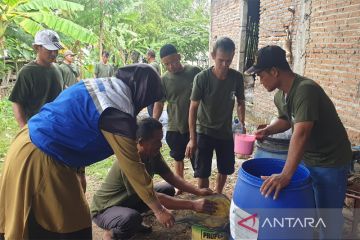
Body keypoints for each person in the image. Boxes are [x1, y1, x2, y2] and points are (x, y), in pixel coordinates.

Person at [0, 64, 175, 239]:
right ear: (142, 92)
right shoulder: (117, 114)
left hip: (28, 143)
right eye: (147, 100)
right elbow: (133, 166)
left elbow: (75, 121)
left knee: (51, 217)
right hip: (41, 155)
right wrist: (158, 210)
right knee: (68, 224)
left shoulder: (102, 86)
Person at [248, 45, 352, 239]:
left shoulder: (306, 90)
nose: (259, 81)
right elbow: (287, 120)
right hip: (309, 158)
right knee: (310, 208)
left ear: (274, 71)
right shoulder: (281, 95)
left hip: (331, 160)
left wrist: (286, 174)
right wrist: (268, 130)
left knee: (328, 216)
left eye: (260, 75)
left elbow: (302, 132)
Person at [91, 118, 215, 240]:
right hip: (105, 209)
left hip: (129, 199)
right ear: (141, 142)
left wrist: (197, 191)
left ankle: (133, 223)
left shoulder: (152, 154)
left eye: (160, 140)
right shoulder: (129, 162)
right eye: (156, 141)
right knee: (131, 218)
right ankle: (112, 234)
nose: (160, 145)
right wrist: (192, 205)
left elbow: (170, 177)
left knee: (167, 188)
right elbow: (151, 196)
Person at [185, 37, 246, 194]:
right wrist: (192, 139)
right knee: (203, 170)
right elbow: (192, 109)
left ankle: (218, 193)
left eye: (229, 60)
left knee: (224, 167)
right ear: (213, 55)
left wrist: (241, 123)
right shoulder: (202, 78)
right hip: (204, 131)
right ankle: (205, 197)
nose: (225, 65)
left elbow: (240, 102)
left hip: (225, 131)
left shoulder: (236, 78)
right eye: (221, 60)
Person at [153, 44, 201, 194]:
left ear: (179, 57)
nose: (171, 66)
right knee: (177, 157)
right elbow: (159, 102)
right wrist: (153, 122)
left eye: (173, 62)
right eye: (166, 64)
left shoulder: (194, 72)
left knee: (198, 159)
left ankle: (200, 188)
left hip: (195, 126)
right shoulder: (164, 80)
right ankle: (180, 186)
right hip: (175, 126)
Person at [9, 29, 63, 128]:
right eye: (49, 50)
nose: (54, 53)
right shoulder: (27, 72)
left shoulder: (58, 69)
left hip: (58, 125)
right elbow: (17, 103)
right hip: (37, 127)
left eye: (56, 50)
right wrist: (24, 129)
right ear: (37, 47)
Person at [145, 49, 161, 117]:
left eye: (146, 55)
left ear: (149, 56)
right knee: (154, 110)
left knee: (151, 111)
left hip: (152, 91)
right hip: (156, 90)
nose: (146, 57)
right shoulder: (156, 64)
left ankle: (153, 124)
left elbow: (149, 79)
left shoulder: (152, 65)